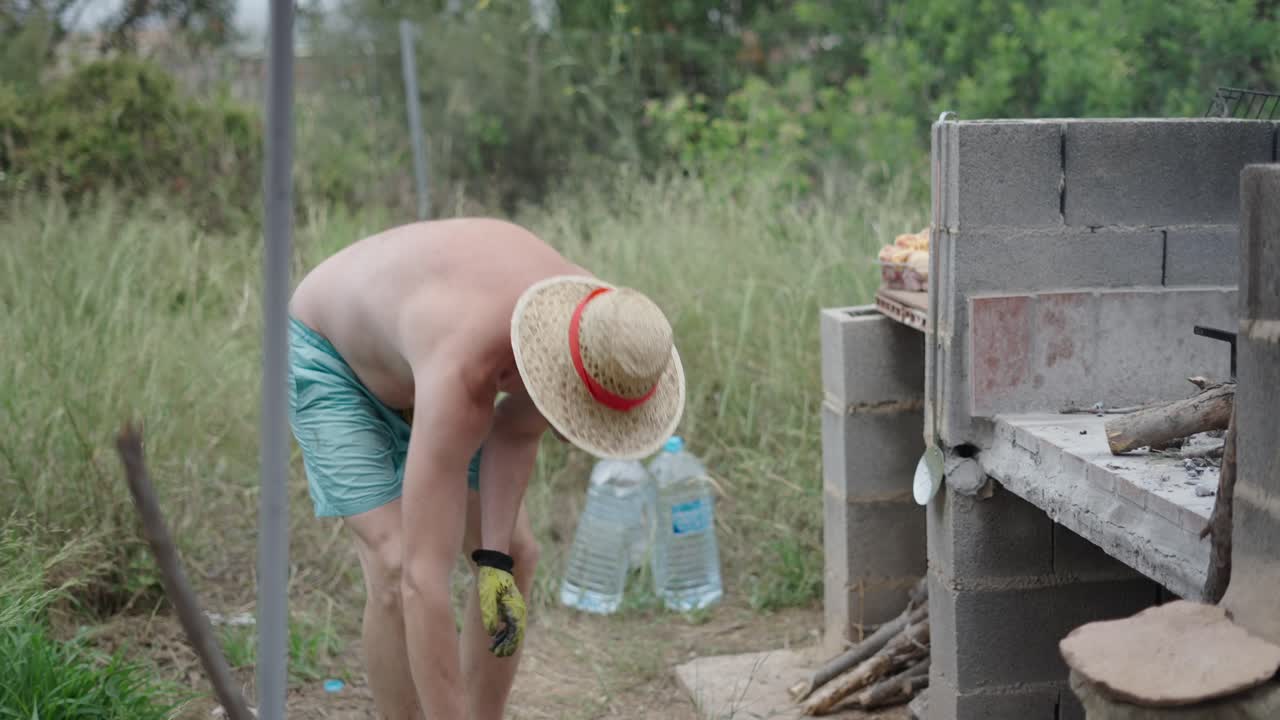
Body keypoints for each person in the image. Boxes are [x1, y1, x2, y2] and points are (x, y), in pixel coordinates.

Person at [286, 218, 686, 720]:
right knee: (395, 560)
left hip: (416, 355)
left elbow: (515, 432)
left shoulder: (599, 331)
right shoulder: (469, 370)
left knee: (516, 556)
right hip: (333, 351)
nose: (579, 434)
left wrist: (493, 559)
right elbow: (423, 579)